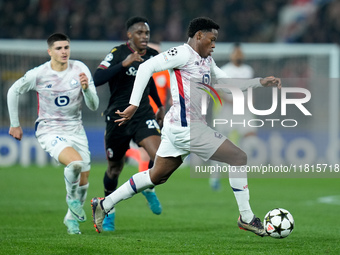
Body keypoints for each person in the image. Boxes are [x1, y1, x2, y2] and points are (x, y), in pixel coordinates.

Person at [91, 17, 281, 236]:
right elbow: (146, 67)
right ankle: (246, 217)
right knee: (238, 157)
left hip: (177, 128)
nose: (214, 45)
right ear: (198, 35)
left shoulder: (207, 61)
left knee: (156, 176)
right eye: (211, 39)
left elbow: (229, 85)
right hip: (187, 128)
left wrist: (260, 82)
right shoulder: (182, 54)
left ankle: (104, 204)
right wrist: (134, 104)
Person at [7, 33, 99, 235]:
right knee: (75, 163)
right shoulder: (39, 74)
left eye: (66, 47)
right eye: (58, 48)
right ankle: (71, 198)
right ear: (50, 51)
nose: (64, 51)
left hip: (76, 129)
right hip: (50, 129)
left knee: (84, 179)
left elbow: (94, 106)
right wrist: (15, 124)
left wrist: (86, 90)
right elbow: (13, 91)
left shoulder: (80, 68)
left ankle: (70, 219)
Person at [93, 16, 164, 232]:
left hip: (143, 114)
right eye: (140, 33)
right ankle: (108, 210)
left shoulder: (152, 56)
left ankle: (148, 187)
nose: (144, 37)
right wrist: (123, 64)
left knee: (161, 157)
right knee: (114, 169)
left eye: (147, 33)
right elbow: (97, 78)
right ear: (129, 35)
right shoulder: (117, 53)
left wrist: (159, 106)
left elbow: (149, 82)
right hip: (118, 117)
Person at [209, 43, 257, 190]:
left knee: (251, 140)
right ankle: (215, 177)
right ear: (232, 55)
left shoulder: (248, 70)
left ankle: (238, 174)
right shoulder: (225, 70)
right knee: (220, 148)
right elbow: (220, 91)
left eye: (240, 53)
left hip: (244, 111)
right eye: (236, 53)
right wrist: (233, 100)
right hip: (226, 112)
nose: (239, 55)